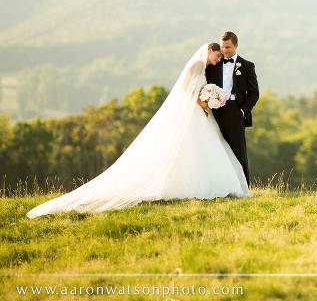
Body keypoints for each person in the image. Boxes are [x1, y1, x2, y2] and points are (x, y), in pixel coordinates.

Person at [26, 42, 251, 219]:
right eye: (217, 55)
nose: (219, 58)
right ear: (209, 51)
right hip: (193, 113)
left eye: (221, 56)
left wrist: (208, 98)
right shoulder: (196, 66)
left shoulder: (209, 68)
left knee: (207, 147)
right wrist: (200, 101)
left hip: (203, 115)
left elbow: (204, 88)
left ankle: (216, 184)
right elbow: (185, 89)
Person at [204, 31, 259, 183]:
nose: (224, 51)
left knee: (238, 150)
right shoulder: (213, 64)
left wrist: (242, 111)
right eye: (222, 47)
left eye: (228, 47)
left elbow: (254, 93)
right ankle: (221, 184)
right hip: (215, 110)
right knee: (217, 148)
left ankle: (243, 187)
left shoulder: (247, 66)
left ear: (236, 46)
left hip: (236, 111)